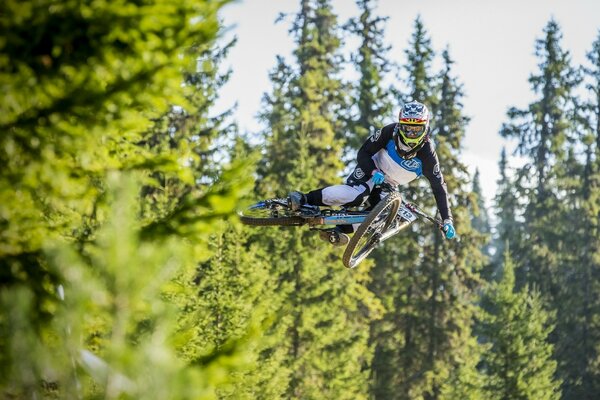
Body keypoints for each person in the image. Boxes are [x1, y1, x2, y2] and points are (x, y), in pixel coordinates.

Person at [288, 100, 456, 246]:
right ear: (399, 125)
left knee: (385, 218)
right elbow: (363, 152)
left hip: (389, 185)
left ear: (425, 128)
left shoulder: (428, 155)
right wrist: (374, 171)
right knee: (358, 194)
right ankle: (304, 198)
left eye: (416, 130)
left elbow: (439, 187)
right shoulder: (389, 132)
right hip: (372, 168)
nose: (411, 135)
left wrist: (447, 219)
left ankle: (338, 230)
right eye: (407, 129)